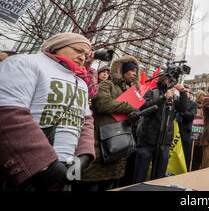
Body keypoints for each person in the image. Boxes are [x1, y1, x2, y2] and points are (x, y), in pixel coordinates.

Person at [0, 33, 95, 191]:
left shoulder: (81, 82)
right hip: (29, 169)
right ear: (57, 46)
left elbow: (86, 121)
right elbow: (9, 114)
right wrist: (44, 164)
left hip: (68, 167)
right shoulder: (24, 62)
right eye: (78, 50)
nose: (82, 57)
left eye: (86, 54)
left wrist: (84, 155)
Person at [75, 56, 140, 191]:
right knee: (92, 183)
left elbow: (132, 119)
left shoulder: (133, 92)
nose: (135, 74)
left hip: (120, 144)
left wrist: (135, 116)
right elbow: (102, 104)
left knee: (110, 184)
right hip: (101, 141)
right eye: (131, 70)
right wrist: (129, 107)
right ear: (122, 71)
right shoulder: (107, 84)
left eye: (136, 71)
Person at [132, 75, 187, 182]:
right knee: (140, 174)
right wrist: (163, 98)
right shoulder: (152, 92)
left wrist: (183, 92)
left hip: (164, 141)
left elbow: (183, 109)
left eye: (173, 81)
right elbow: (143, 107)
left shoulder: (174, 96)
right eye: (169, 80)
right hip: (147, 140)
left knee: (159, 177)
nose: (171, 82)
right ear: (162, 80)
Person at [176, 87, 197, 168]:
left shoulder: (192, 104)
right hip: (175, 131)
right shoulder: (176, 102)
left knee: (185, 155)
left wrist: (182, 112)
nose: (186, 93)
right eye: (185, 91)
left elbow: (192, 116)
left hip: (185, 133)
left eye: (187, 92)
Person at [190, 90, 206, 171]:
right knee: (194, 156)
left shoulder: (206, 108)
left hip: (203, 135)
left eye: (204, 96)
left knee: (201, 157)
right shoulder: (194, 106)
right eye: (201, 96)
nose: (203, 98)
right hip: (195, 134)